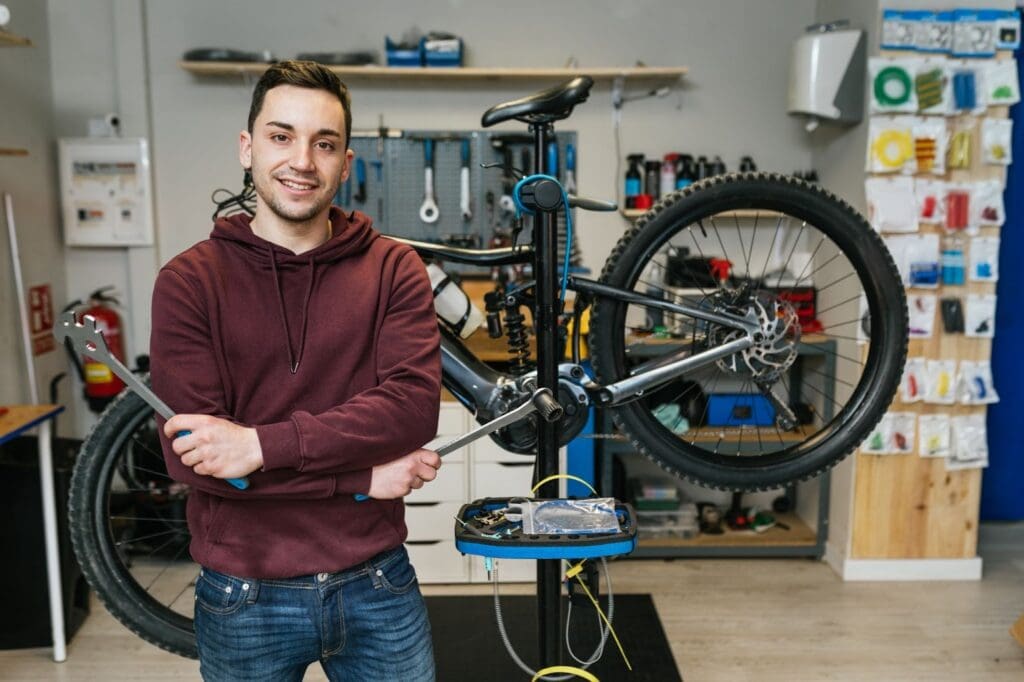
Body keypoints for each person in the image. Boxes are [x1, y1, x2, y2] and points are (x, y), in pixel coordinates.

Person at [150, 60, 442, 681]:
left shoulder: (395, 269)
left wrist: (257, 445)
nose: (302, 160)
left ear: (346, 161)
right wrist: (359, 475)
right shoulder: (188, 283)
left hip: (377, 584)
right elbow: (192, 461)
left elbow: (413, 408)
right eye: (282, 136)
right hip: (243, 595)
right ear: (247, 147)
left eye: (324, 143)